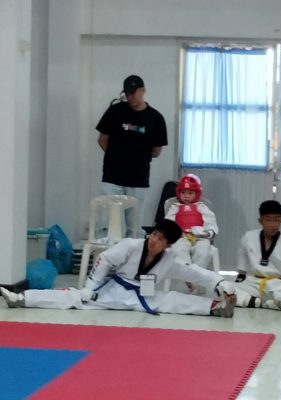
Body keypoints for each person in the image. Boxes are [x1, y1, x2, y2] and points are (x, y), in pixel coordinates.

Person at [0, 220, 236, 318]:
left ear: (168, 245)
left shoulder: (170, 260)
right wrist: (90, 287)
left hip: (143, 296)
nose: (154, 240)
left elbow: (196, 272)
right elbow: (104, 260)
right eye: (154, 234)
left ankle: (217, 308)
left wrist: (220, 283)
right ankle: (21, 298)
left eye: (161, 239)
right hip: (113, 291)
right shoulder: (131, 245)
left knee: (173, 300)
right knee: (73, 297)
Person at [96, 75, 168, 237]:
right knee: (107, 224)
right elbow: (102, 140)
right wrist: (116, 157)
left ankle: (132, 253)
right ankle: (108, 252)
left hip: (138, 178)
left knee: (133, 227)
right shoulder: (115, 111)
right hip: (112, 177)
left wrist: (136, 157)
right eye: (128, 94)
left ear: (143, 91)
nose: (131, 97)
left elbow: (156, 151)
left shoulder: (156, 118)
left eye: (135, 93)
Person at [165, 174, 218, 292]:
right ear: (179, 193)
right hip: (181, 236)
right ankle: (187, 272)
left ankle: (193, 276)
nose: (186, 196)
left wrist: (209, 232)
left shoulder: (202, 207)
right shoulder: (175, 207)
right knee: (178, 249)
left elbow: (210, 221)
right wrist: (171, 234)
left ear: (196, 194)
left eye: (190, 193)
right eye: (183, 193)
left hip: (199, 237)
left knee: (203, 250)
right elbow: (168, 222)